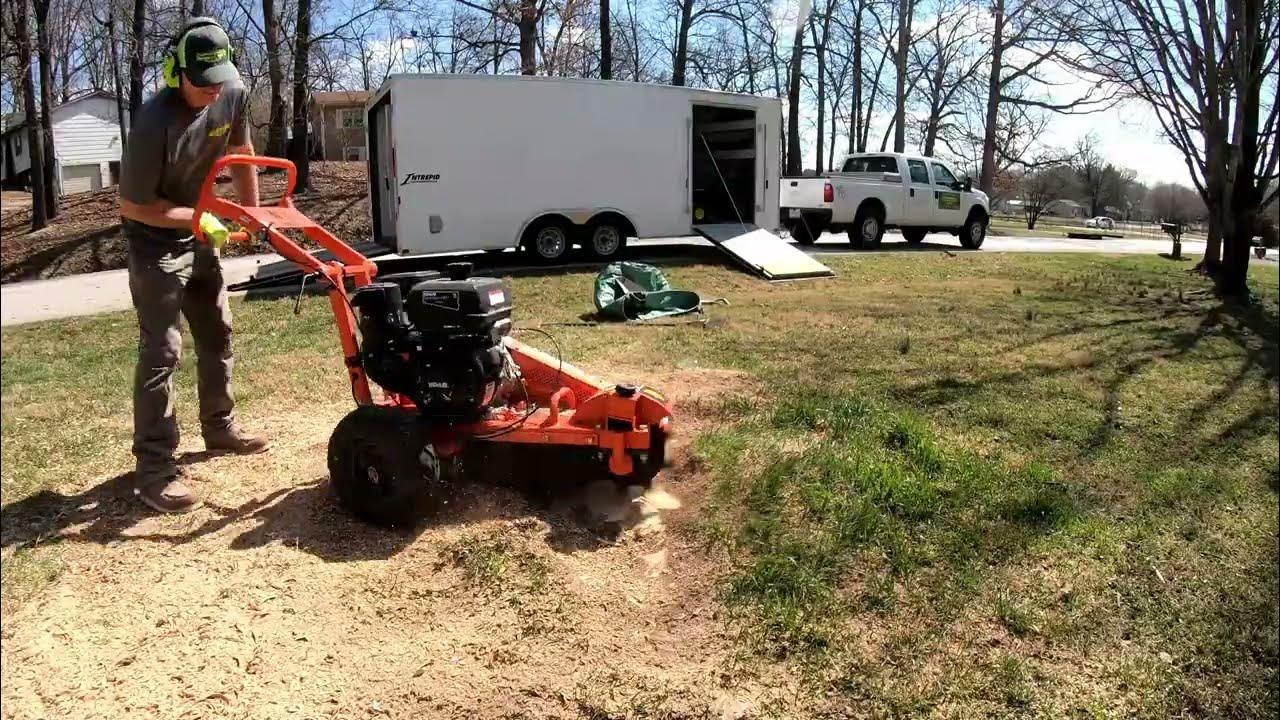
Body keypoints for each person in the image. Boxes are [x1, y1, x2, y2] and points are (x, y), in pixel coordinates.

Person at [118, 16, 268, 513]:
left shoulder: (232, 92)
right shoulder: (151, 122)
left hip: (203, 231)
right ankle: (154, 470)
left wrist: (253, 215)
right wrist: (201, 219)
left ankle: (219, 427)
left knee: (217, 331)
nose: (211, 92)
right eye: (200, 83)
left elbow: (242, 154)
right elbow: (134, 204)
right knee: (163, 350)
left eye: (217, 80)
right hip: (153, 240)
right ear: (174, 71)